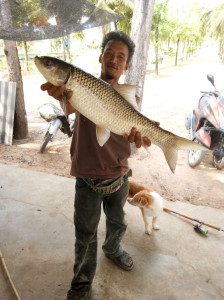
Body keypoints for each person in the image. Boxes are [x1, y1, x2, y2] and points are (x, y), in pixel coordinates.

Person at [41, 31, 151, 300]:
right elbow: (67, 106)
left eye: (121, 57)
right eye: (109, 54)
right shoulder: (78, 86)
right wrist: (61, 96)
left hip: (119, 175)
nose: (114, 60)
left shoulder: (130, 98)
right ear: (101, 57)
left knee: (118, 222)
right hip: (87, 179)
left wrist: (143, 137)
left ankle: (113, 249)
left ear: (126, 65)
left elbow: (138, 136)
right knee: (85, 236)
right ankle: (81, 285)